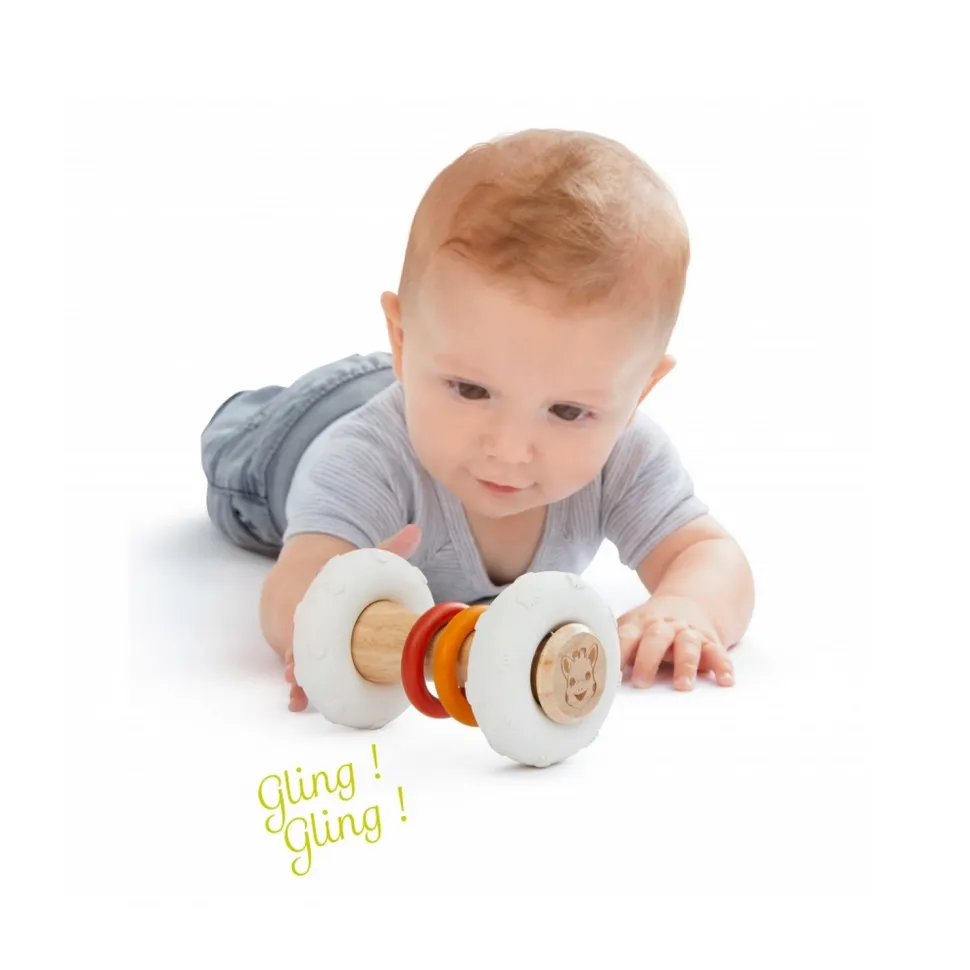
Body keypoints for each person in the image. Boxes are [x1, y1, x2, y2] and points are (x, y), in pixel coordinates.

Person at [200, 128, 755, 712]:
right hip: (290, 434)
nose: (510, 449)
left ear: (639, 393)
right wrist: (330, 613)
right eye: (472, 390)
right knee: (240, 447)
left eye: (567, 411)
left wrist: (687, 607)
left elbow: (710, 554)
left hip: (418, 378)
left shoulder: (625, 454)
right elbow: (292, 590)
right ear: (402, 341)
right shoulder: (364, 459)